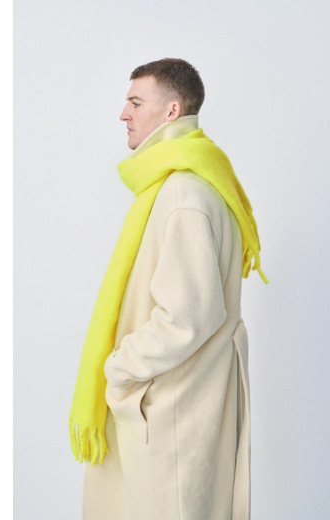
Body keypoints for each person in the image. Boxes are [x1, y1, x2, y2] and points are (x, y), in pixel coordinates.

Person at [70, 57, 268, 520]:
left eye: (136, 102)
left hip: (171, 416)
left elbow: (188, 317)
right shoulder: (198, 183)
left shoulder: (182, 193)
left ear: (172, 110)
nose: (124, 114)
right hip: (180, 409)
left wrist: (118, 367)